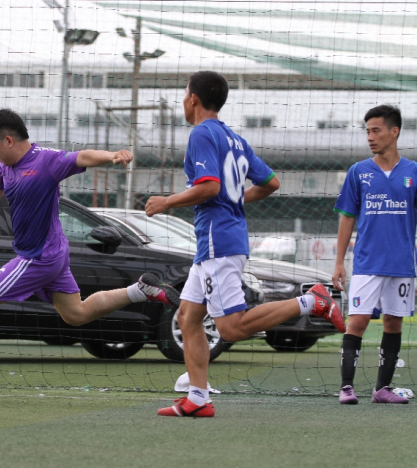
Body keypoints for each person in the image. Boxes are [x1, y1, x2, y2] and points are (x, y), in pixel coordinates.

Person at [0, 108, 179, 392]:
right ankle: (141, 290)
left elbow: (81, 157)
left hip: (38, 257)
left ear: (8, 140)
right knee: (76, 314)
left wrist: (112, 156)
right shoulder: (5, 167)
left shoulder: (46, 161)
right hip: (52, 254)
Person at [144, 71, 345, 417]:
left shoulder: (201, 133)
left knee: (231, 327)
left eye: (183, 93)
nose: (182, 99)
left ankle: (312, 300)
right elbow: (271, 182)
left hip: (218, 240)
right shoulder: (234, 139)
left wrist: (167, 202)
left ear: (193, 98)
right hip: (219, 239)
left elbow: (207, 186)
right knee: (188, 316)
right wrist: (234, 199)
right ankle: (198, 397)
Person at [333, 105, 415, 405]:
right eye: (367, 131)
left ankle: (382, 389)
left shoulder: (413, 172)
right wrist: (340, 262)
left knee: (394, 323)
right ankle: (346, 388)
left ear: (394, 132)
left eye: (376, 130)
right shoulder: (359, 172)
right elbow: (346, 217)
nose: (370, 137)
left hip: (402, 264)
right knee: (358, 321)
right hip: (367, 263)